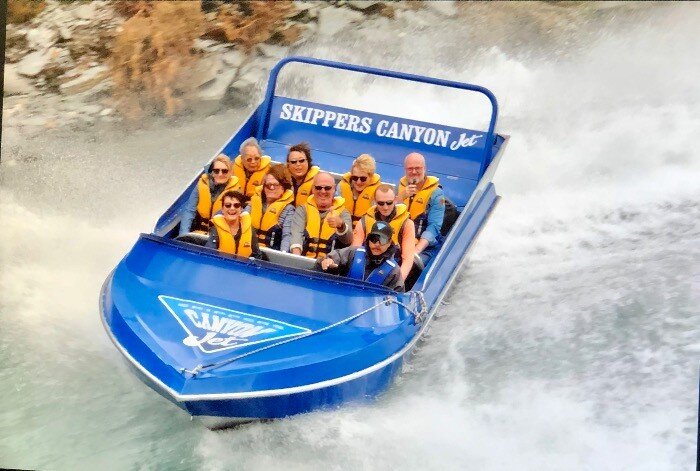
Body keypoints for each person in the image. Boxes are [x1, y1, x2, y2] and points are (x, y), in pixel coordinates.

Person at [318, 221, 404, 292]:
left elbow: (398, 298)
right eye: (374, 239)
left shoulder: (394, 271)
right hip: (345, 299)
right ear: (368, 239)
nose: (377, 244)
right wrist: (328, 261)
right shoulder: (353, 252)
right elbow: (333, 258)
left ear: (389, 243)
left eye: (383, 240)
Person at [353, 184, 416, 281]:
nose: (385, 207)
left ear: (395, 200)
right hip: (365, 269)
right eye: (381, 203)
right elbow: (354, 251)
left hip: (392, 272)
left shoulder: (407, 224)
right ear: (375, 201)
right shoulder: (364, 221)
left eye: (389, 203)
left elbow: (408, 259)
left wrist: (397, 282)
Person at [287, 172, 352, 259]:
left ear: (334, 189)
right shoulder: (302, 210)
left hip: (330, 263)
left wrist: (341, 225)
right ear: (313, 189)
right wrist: (297, 257)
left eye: (327, 188)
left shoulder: (343, 213)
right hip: (304, 260)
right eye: (318, 188)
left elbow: (348, 240)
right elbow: (296, 234)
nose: (323, 191)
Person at [395, 152, 445, 263]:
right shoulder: (400, 188)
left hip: (424, 246)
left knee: (412, 263)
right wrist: (400, 198)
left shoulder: (437, 194)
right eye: (410, 169)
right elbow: (386, 212)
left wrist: (416, 251)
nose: (414, 172)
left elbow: (434, 226)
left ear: (424, 169)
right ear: (405, 170)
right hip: (399, 240)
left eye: (417, 168)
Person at [179, 154, 241, 236]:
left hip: (219, 235)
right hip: (199, 231)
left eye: (224, 171)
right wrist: (183, 234)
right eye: (216, 171)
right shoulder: (202, 184)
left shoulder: (236, 191)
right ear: (212, 172)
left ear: (230, 172)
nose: (220, 174)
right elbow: (190, 211)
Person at [248, 164, 295, 251]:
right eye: (268, 185)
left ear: (284, 187)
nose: (271, 188)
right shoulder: (253, 202)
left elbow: (287, 236)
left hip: (271, 253)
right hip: (248, 250)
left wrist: (283, 253)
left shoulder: (289, 210)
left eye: (275, 185)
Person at [206, 190, 260, 258]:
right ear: (222, 209)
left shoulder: (250, 229)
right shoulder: (215, 228)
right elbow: (208, 255)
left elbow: (257, 255)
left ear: (241, 209)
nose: (232, 208)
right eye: (228, 205)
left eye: (236, 205)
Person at [338, 153, 381, 228]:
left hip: (365, 229)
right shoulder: (341, 187)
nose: (358, 182)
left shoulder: (378, 192)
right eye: (355, 178)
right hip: (342, 228)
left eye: (363, 179)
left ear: (371, 176)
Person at [286, 142, 320, 207]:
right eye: (293, 162)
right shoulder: (282, 181)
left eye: (302, 161)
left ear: (308, 161)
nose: (298, 164)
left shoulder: (319, 182)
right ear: (288, 164)